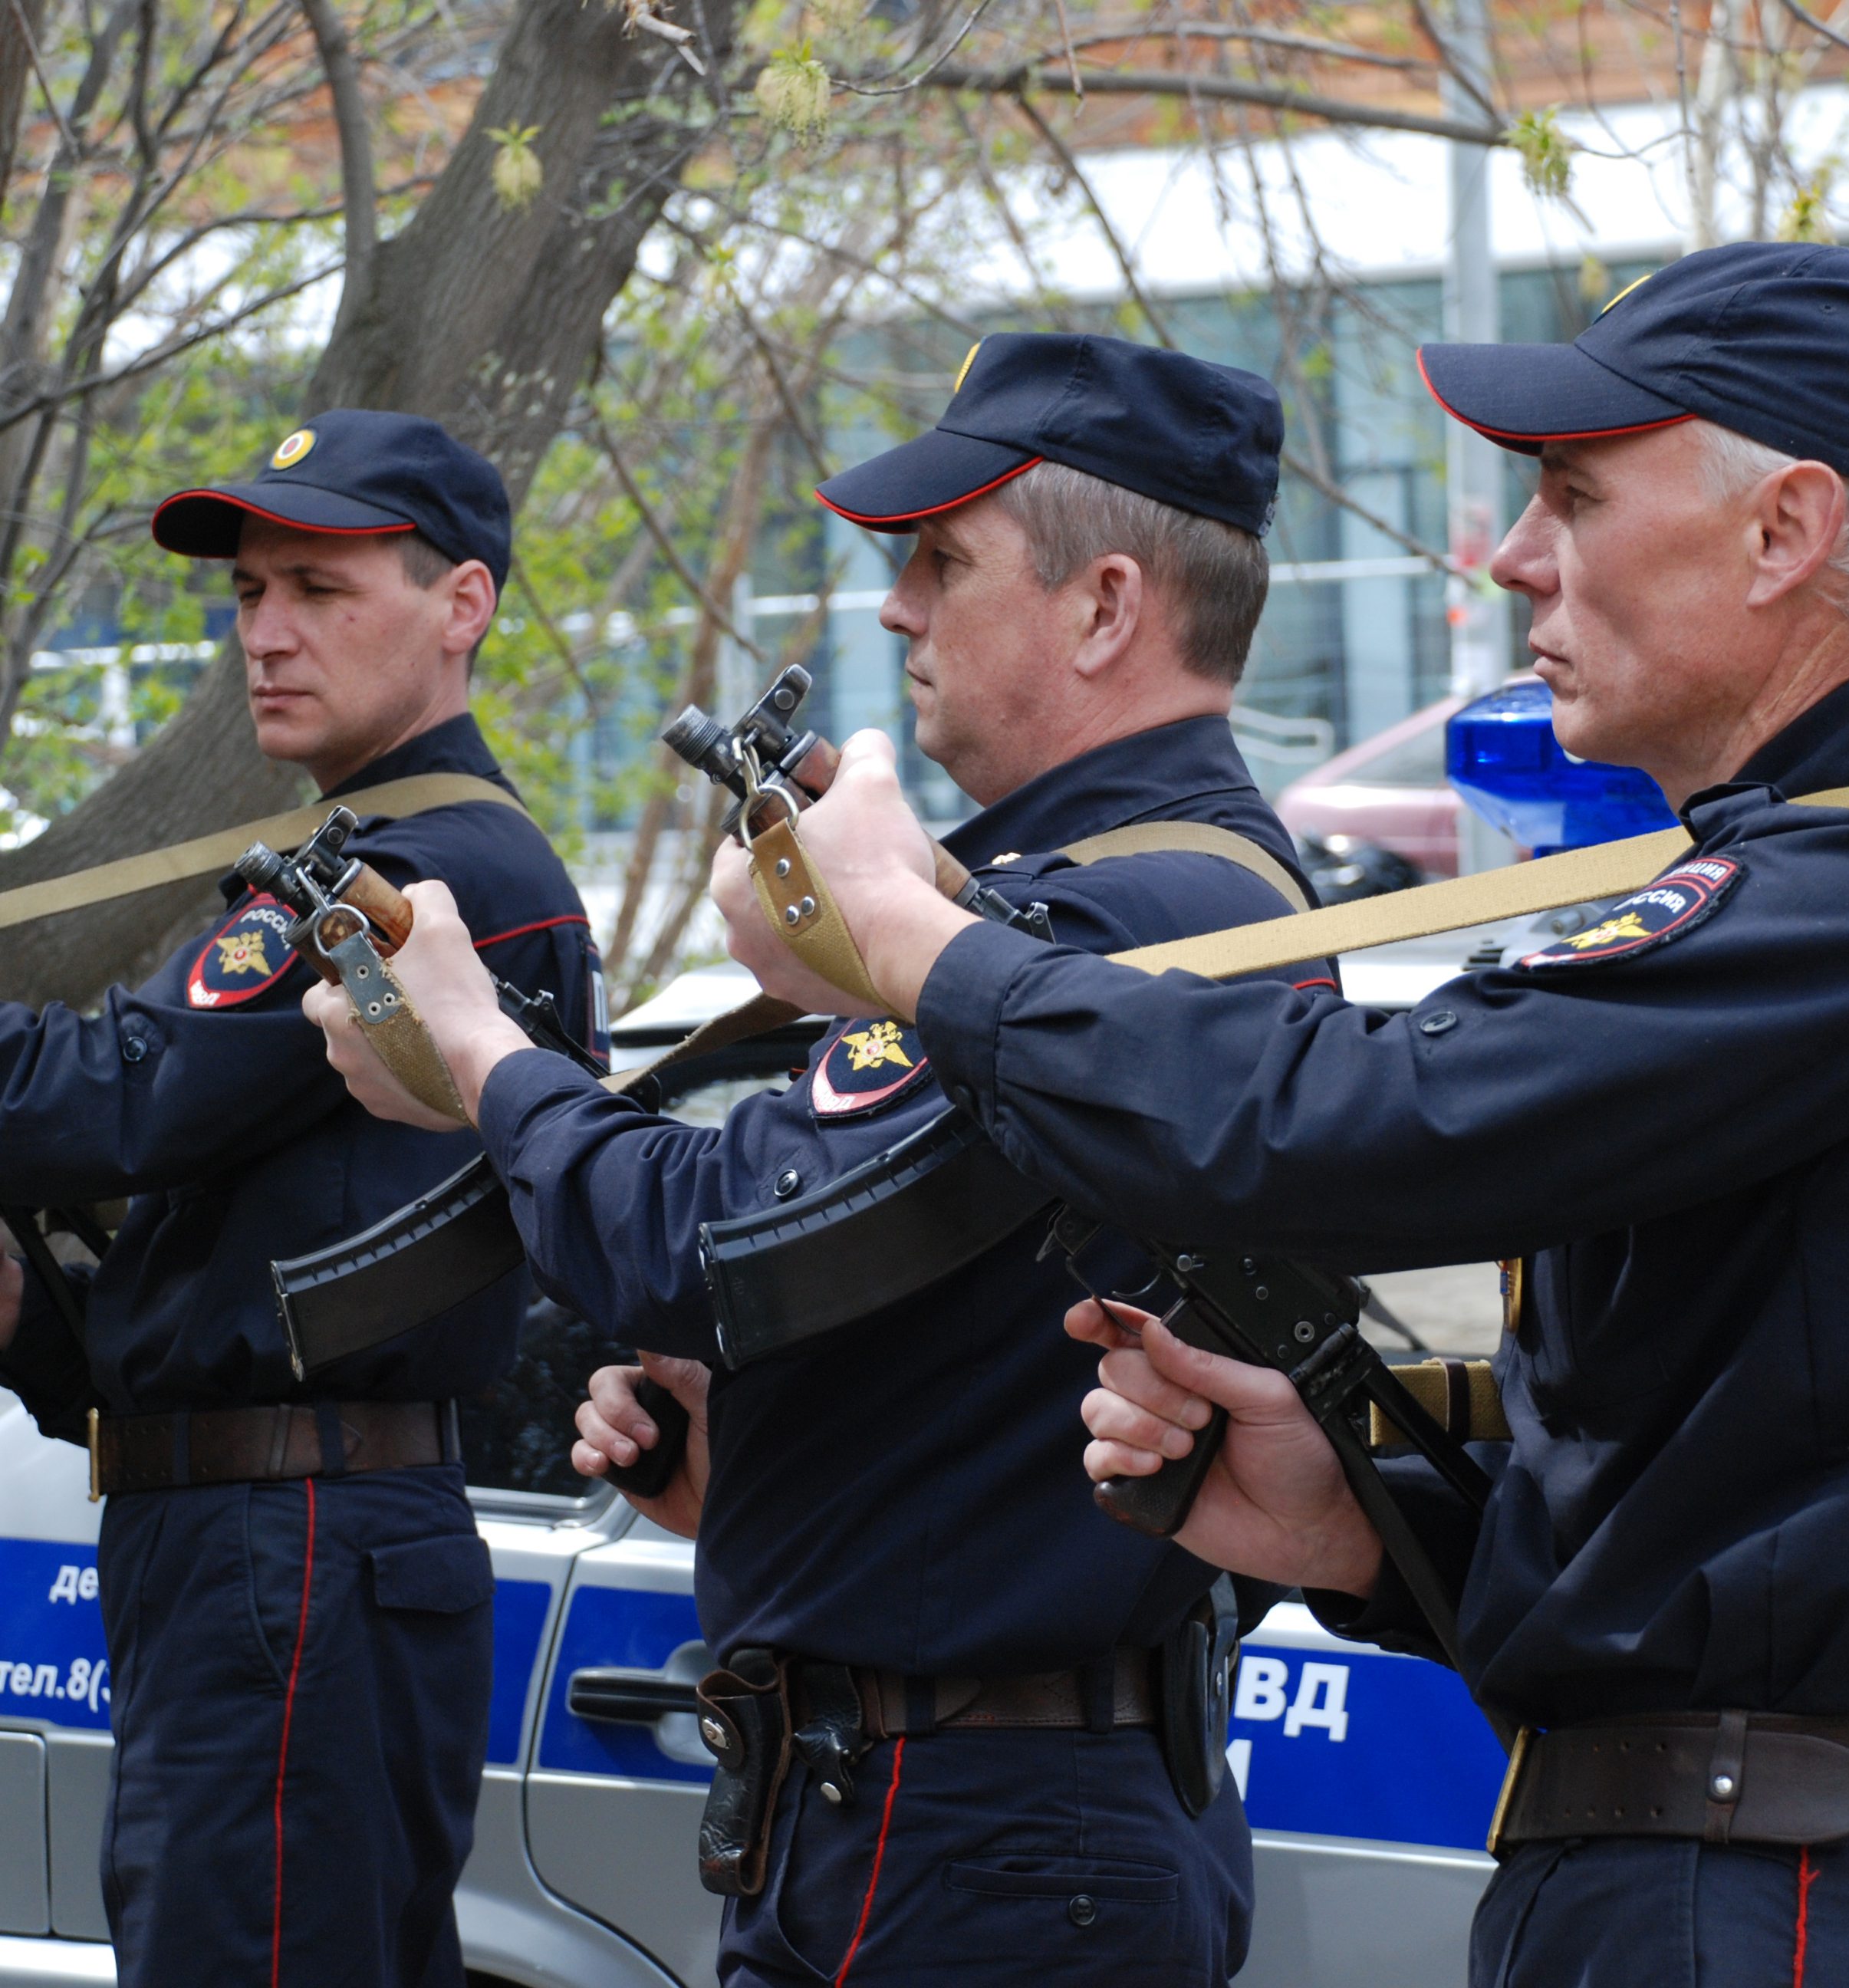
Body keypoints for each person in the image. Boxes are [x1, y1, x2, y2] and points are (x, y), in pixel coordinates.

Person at [704, 243, 1849, 1987]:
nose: (1512, 554)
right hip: (1719, 1866)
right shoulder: (1829, 883)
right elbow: (1735, 1463)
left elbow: (1361, 1130)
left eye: (1574, 493)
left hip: (1789, 1890)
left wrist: (925, 953)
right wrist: (1359, 1523)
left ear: (1787, 534)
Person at [303, 333, 1335, 1986]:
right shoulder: (1073, 905)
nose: (893, 607)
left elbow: (710, 1241)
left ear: (1105, 607)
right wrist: (747, 1462)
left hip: (984, 1835)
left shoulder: (1126, 919)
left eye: (942, 559)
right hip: (915, 1804)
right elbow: (882, 1319)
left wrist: (482, 1052)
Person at [0, 409, 604, 1988]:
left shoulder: (429, 879)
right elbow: (238, 1244)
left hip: (296, 1543)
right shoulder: (356, 861)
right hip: (263, 1536)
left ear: (461, 605)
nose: (265, 635)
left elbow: (110, 1098)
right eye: (251, 595)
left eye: (320, 591)